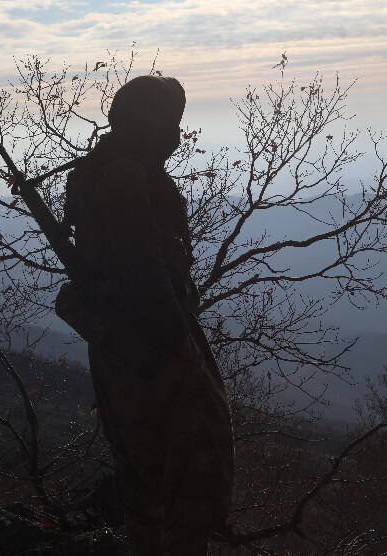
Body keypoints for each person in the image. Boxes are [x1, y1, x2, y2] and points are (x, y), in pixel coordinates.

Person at [55, 75, 234, 555]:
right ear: (147, 123)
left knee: (145, 474)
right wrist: (178, 343)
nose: (175, 134)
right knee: (194, 476)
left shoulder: (104, 169)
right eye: (170, 122)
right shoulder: (125, 176)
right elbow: (143, 269)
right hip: (150, 346)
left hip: (125, 345)